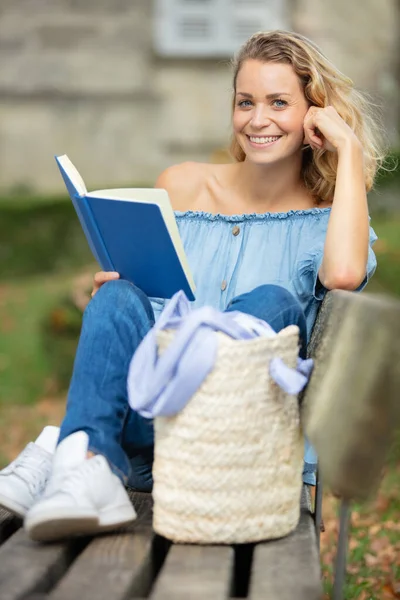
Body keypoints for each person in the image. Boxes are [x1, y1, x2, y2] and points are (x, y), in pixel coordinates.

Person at [0, 30, 382, 541]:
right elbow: (137, 312)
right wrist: (119, 305)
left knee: (273, 301)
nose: (257, 119)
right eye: (245, 101)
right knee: (116, 296)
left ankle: (61, 446)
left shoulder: (328, 220)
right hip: (147, 451)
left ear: (314, 114)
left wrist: (349, 149)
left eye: (279, 102)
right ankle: (89, 457)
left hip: (234, 452)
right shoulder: (180, 184)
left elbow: (342, 276)